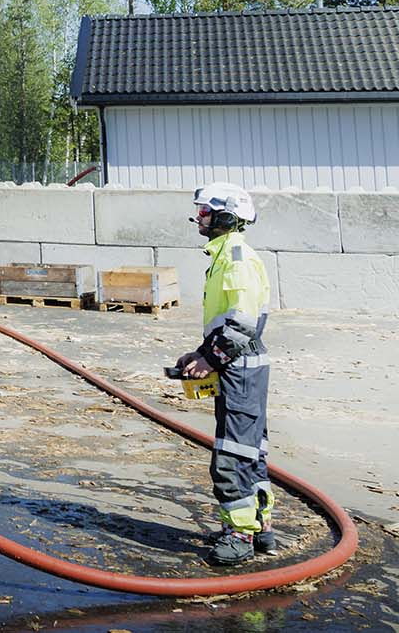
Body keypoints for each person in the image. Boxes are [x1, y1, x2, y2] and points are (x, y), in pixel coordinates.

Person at [175, 182, 277, 565]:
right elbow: (227, 319)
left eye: (205, 212)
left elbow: (242, 324)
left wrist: (212, 359)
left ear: (225, 217)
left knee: (233, 452)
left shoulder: (235, 258)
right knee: (251, 449)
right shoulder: (223, 256)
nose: (199, 218)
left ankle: (239, 536)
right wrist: (201, 352)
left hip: (239, 367)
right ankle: (260, 526)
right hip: (237, 364)